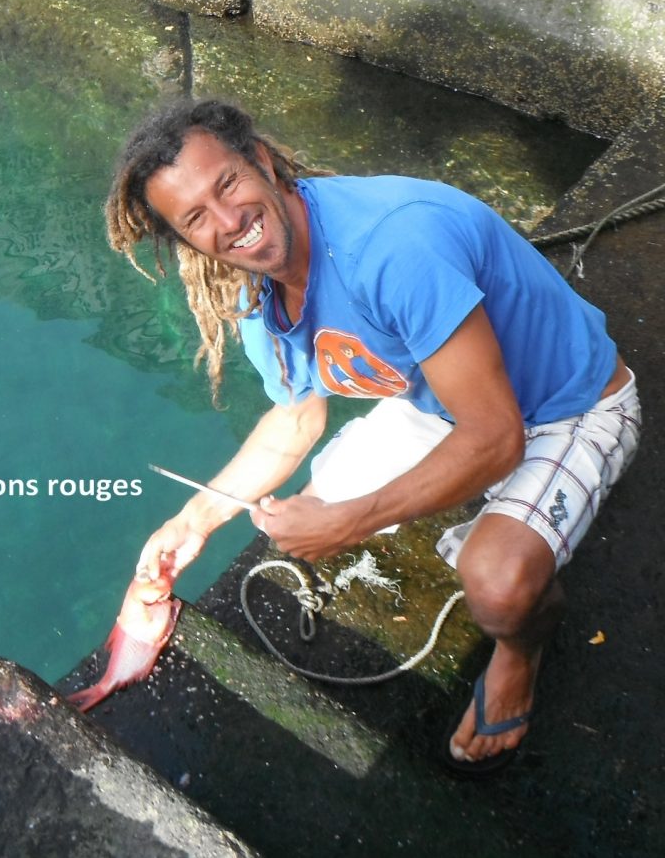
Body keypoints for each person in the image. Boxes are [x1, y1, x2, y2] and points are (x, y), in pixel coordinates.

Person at [104, 98, 641, 775]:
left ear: (263, 161)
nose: (228, 221)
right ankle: (500, 527)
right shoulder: (258, 293)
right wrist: (195, 520)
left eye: (228, 184)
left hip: (569, 405)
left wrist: (351, 522)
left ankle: (522, 647)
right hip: (442, 403)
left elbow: (497, 436)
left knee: (497, 582)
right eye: (195, 218)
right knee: (310, 502)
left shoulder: (393, 246)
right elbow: (296, 419)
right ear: (186, 240)